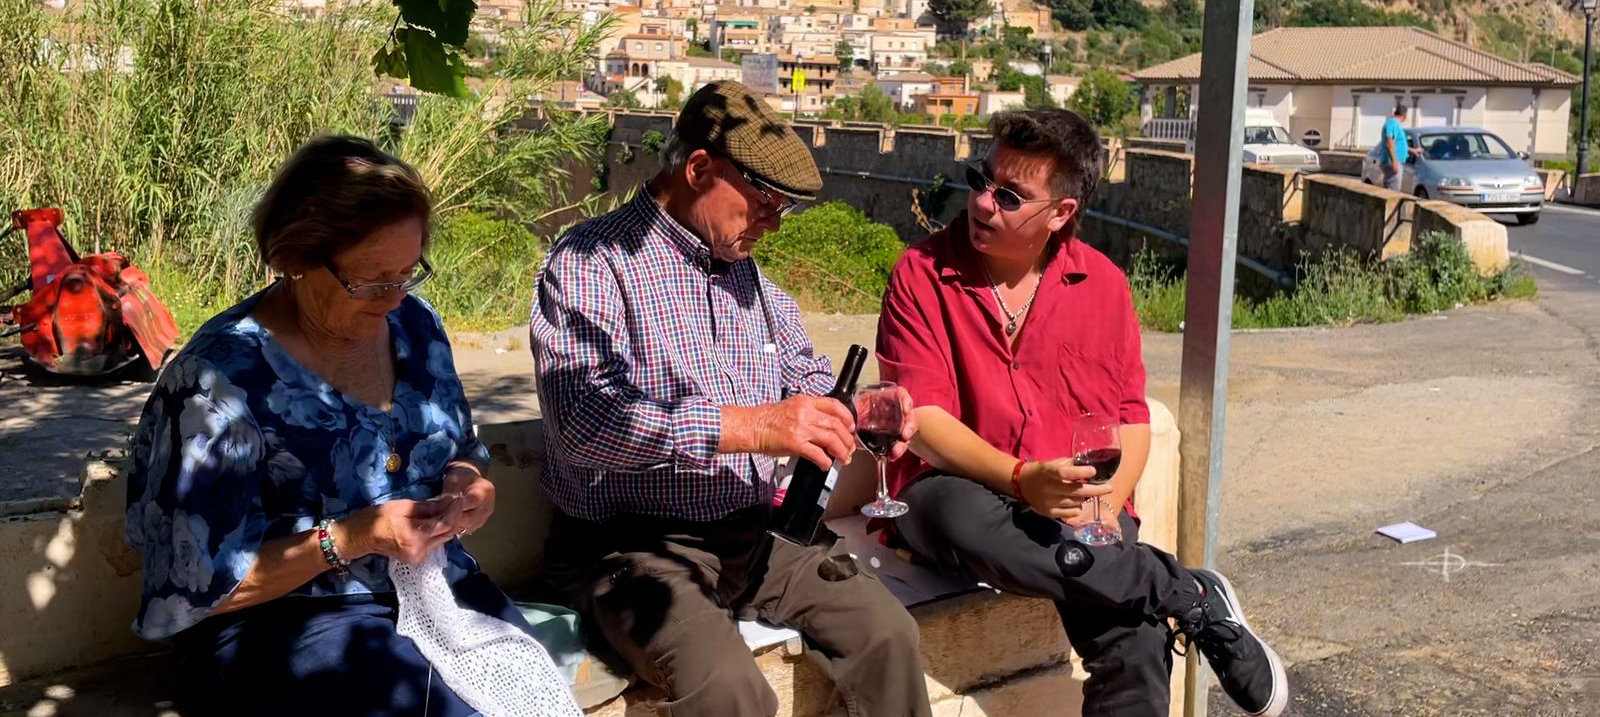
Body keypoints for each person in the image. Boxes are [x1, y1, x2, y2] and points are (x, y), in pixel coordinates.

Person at [126, 135, 576, 716]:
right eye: (370, 281)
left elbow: (460, 444)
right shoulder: (217, 383)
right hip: (285, 623)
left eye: (407, 274)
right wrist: (353, 537)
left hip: (433, 591)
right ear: (295, 260)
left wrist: (468, 484)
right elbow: (195, 589)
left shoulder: (415, 325)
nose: (392, 299)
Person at [530, 80, 930, 717]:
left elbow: (806, 379)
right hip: (633, 550)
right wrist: (753, 427)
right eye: (766, 203)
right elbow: (583, 419)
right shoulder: (592, 261)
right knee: (730, 692)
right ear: (698, 170)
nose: (774, 224)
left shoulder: (749, 278)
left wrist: (856, 413)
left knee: (888, 633)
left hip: (754, 538)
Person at [876, 108, 1288, 717]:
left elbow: (1130, 417)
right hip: (958, 490)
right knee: (954, 510)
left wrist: (1106, 501)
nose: (984, 204)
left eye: (1011, 196)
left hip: (1075, 505)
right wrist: (1021, 479)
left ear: (1061, 213)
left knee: (1137, 637)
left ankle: (1159, 592)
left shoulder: (1104, 286)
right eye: (980, 180)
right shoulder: (922, 274)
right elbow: (925, 420)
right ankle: (1183, 591)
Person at [1381, 104, 1411, 192]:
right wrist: (1394, 161)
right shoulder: (1393, 123)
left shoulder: (1393, 123)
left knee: (1390, 187)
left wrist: (1412, 150)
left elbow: (1397, 143)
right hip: (1394, 161)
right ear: (1404, 115)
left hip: (1395, 160)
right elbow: (1390, 143)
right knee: (1393, 190)